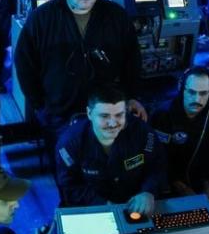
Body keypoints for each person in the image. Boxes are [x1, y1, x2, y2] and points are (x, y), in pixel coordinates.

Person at [15, 0, 147, 134]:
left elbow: (132, 61)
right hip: (59, 115)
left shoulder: (117, 16)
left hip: (107, 112)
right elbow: (24, 64)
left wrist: (131, 97)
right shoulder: (42, 18)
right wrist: (40, 106)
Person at [55, 86, 165, 214]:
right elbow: (69, 186)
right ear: (89, 114)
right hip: (92, 207)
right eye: (104, 116)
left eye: (119, 115)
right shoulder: (69, 143)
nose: (113, 123)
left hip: (135, 204)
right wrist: (101, 204)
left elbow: (157, 164)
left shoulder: (143, 132)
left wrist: (148, 191)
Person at [151, 67, 209, 201]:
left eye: (203, 93)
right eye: (191, 92)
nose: (197, 99)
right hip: (167, 180)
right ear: (181, 89)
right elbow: (157, 159)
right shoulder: (163, 115)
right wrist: (181, 187)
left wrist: (208, 183)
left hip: (199, 179)